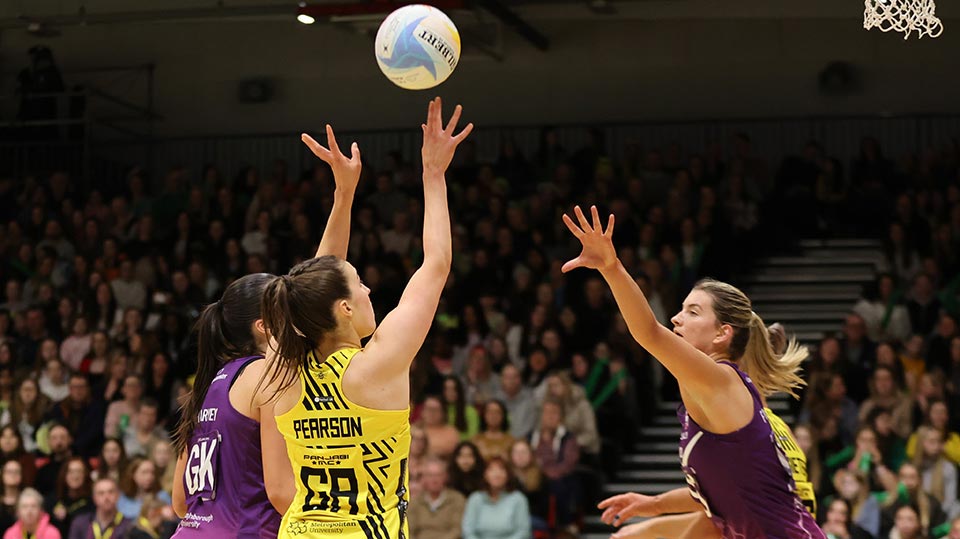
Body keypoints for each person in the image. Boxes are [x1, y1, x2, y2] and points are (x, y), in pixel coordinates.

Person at [259, 97, 472, 539]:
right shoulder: (377, 364)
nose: (369, 289)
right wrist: (433, 173)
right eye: (360, 284)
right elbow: (436, 263)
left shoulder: (282, 367)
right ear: (345, 308)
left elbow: (312, 287)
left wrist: (344, 194)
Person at [561, 205, 824, 538]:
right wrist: (653, 508)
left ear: (722, 333)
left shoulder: (721, 379)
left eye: (692, 311)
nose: (676, 318)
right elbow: (720, 501)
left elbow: (650, 333)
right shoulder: (713, 396)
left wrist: (611, 268)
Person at [170, 122, 364, 539]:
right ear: (266, 325)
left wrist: (344, 196)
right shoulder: (271, 374)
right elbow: (280, 493)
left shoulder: (206, 385)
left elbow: (180, 502)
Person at [461, 457, 531, 539]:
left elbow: (523, 532)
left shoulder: (518, 499)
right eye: (492, 470)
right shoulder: (475, 499)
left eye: (501, 469)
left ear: (508, 475)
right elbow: (467, 531)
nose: (497, 474)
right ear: (485, 475)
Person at [67, 478, 134, 539]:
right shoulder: (80, 523)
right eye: (101, 493)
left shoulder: (129, 525)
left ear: (118, 495)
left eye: (111, 492)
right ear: (94, 498)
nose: (106, 497)